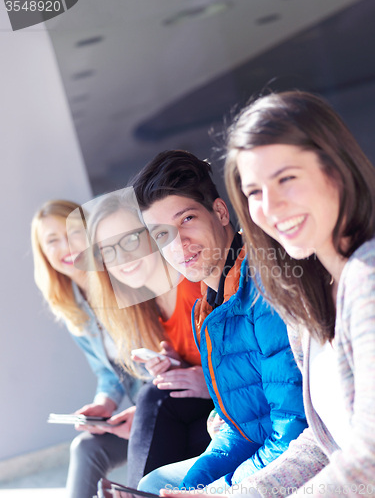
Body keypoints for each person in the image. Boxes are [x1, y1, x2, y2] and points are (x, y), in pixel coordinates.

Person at [221, 90, 375, 496]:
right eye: (254, 192)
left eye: (287, 179)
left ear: (336, 169)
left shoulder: (369, 278)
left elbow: (370, 460)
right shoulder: (304, 301)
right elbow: (324, 443)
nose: (271, 206)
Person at [129, 150, 307, 493]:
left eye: (187, 220)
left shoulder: (263, 289)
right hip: (256, 450)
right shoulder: (207, 308)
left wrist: (211, 490)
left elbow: (292, 434)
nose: (179, 244)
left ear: (221, 212)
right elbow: (236, 427)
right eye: (163, 235)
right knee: (152, 485)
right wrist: (196, 484)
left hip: (296, 461)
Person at [77, 189, 214, 488]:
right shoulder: (143, 311)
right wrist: (142, 420)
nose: (121, 258)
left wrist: (208, 380)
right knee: (160, 404)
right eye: (108, 250)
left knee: (155, 395)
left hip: (235, 406)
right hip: (198, 414)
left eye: (129, 240)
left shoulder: (196, 284)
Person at [31, 200, 140, 498]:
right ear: (43, 253)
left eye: (73, 232)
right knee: (85, 447)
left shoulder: (128, 279)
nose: (66, 246)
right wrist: (103, 404)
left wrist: (142, 411)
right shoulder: (73, 310)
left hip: (169, 405)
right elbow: (108, 372)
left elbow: (172, 353)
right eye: (52, 240)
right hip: (135, 414)